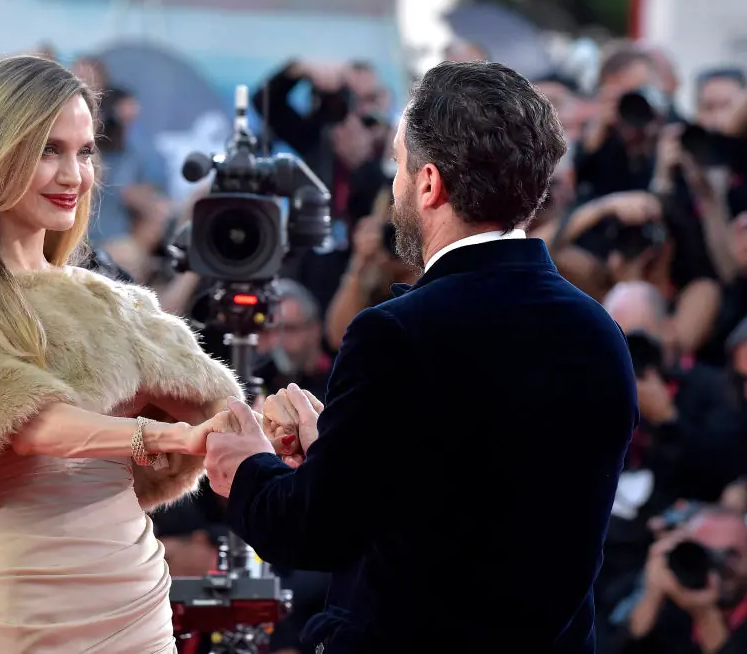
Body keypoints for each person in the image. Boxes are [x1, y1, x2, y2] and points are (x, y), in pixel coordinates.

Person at [204, 61, 640, 653]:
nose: (393, 188)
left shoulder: (397, 334)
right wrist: (332, 449)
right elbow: (472, 494)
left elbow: (315, 534)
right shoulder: (599, 330)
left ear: (429, 183)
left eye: (398, 166)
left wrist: (248, 463)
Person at [0, 55, 287, 653]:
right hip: (21, 597)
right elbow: (23, 421)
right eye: (49, 150)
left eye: (85, 152)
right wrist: (170, 439)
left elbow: (212, 403)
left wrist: (274, 428)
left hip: (131, 587)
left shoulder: (110, 303)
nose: (74, 174)